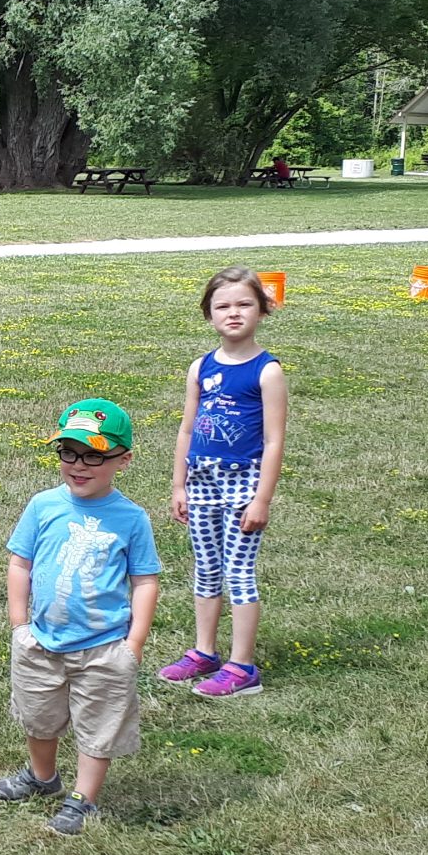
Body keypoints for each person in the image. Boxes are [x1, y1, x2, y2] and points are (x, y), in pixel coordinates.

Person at [0, 400, 162, 838]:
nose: (79, 465)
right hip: (41, 642)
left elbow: (144, 581)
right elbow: (20, 563)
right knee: (38, 717)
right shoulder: (43, 505)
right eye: (68, 452)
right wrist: (19, 626)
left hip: (103, 647)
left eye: (94, 456)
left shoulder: (131, 519)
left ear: (123, 460)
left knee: (98, 726)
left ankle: (83, 799)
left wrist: (134, 644)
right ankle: (43, 777)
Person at [160, 266, 289, 698]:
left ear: (262, 311)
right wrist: (179, 485)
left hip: (243, 484)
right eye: (223, 306)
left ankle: (242, 666)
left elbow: (274, 441)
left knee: (239, 572)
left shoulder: (267, 371)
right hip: (202, 482)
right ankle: (204, 653)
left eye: (244, 304)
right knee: (206, 569)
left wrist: (262, 499)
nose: (233, 313)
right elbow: (186, 428)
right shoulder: (201, 366)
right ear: (209, 314)